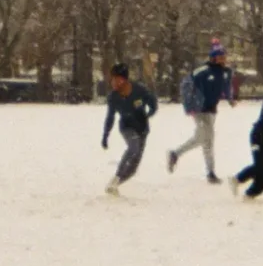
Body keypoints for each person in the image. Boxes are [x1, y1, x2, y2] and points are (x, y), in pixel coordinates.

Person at [167, 39, 238, 182]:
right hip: (199, 109)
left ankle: (175, 154)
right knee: (208, 140)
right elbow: (186, 85)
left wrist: (230, 98)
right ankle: (210, 173)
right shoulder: (202, 71)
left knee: (202, 138)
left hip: (211, 110)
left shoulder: (226, 72)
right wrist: (189, 106)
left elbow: (226, 86)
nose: (223, 59)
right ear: (213, 57)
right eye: (220, 56)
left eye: (224, 56)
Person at [100, 61, 157, 195]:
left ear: (123, 79)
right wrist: (105, 135)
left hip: (142, 128)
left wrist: (150, 112)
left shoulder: (139, 90)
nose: (113, 82)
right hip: (126, 127)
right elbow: (110, 117)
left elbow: (152, 102)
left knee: (133, 169)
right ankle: (117, 177)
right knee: (133, 147)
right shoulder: (113, 97)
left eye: (116, 79)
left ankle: (114, 185)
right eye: (111, 79)